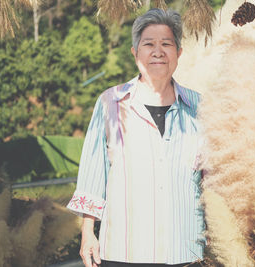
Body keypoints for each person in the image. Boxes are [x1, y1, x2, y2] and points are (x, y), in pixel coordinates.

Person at [67, 9, 205, 267]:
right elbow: (94, 173)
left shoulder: (199, 106)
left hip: (187, 250)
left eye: (166, 44)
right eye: (148, 44)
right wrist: (88, 234)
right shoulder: (110, 102)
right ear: (135, 52)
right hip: (125, 251)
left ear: (179, 52)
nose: (158, 51)